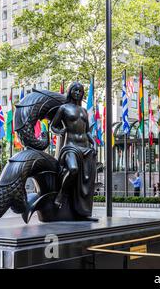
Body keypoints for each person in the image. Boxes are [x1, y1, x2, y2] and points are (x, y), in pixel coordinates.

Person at [50, 82, 97, 217]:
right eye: (75, 90)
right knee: (73, 169)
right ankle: (61, 194)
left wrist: (93, 142)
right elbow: (53, 126)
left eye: (80, 91)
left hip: (85, 147)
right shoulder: (63, 108)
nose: (77, 93)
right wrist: (60, 131)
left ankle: (83, 212)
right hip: (70, 146)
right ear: (70, 91)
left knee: (87, 180)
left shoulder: (83, 111)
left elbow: (87, 131)